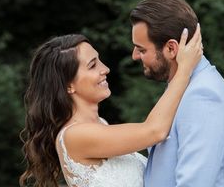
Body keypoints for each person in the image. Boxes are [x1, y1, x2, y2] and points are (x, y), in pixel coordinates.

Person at [19, 26, 202, 187]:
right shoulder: (74, 136)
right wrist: (184, 69)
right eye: (92, 66)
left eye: (99, 60)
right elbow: (155, 131)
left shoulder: (101, 124)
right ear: (68, 85)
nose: (105, 68)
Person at [130, 0, 224, 186]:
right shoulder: (185, 86)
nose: (134, 56)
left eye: (142, 50)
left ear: (171, 49)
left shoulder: (203, 96)